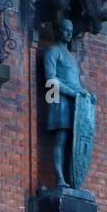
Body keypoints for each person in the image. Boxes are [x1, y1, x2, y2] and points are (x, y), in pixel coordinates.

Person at [43, 16, 95, 188]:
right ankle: (59, 178)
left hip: (74, 102)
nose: (69, 33)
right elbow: (50, 79)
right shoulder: (52, 51)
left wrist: (86, 95)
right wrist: (72, 93)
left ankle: (71, 178)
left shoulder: (71, 58)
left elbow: (75, 82)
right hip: (59, 100)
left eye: (71, 31)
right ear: (58, 31)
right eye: (66, 29)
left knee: (75, 141)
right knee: (61, 137)